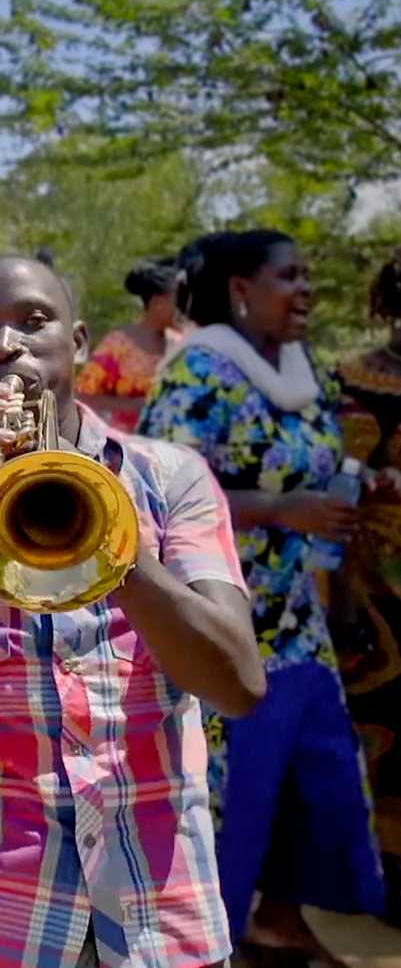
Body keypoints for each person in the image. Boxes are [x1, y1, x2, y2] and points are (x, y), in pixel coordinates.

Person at [0, 254, 266, 968]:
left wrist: (105, 537)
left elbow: (237, 682)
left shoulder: (169, 480)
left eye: (31, 321)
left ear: (76, 343)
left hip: (160, 918)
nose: (3, 345)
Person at [139, 230, 386, 964]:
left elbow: (305, 461)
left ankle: (277, 920)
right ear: (241, 289)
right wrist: (283, 510)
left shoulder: (294, 368)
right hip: (223, 614)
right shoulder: (199, 374)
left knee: (314, 779)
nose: (306, 288)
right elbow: (159, 485)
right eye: (290, 276)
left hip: (294, 617)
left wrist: (357, 486)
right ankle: (205, 939)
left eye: (308, 273)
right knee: (230, 787)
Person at [334, 253, 401, 927]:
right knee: (386, 727)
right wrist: (347, 599)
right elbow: (344, 486)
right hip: (379, 582)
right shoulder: (358, 380)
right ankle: (387, 877)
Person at [76, 257, 184, 430]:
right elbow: (82, 396)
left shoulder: (181, 344)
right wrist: (131, 405)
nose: (184, 308)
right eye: (179, 301)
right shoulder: (118, 345)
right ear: (157, 302)